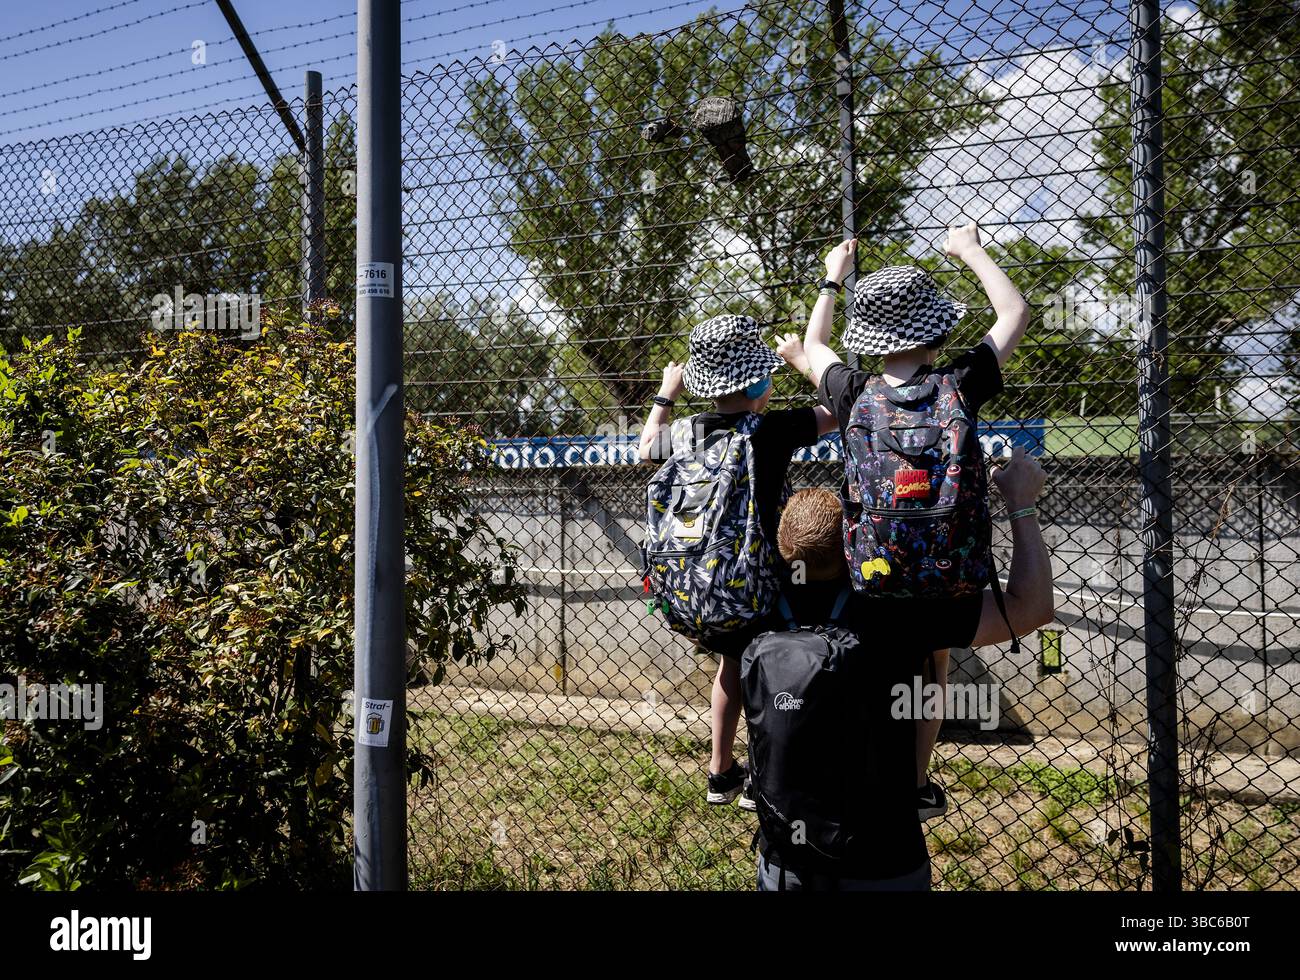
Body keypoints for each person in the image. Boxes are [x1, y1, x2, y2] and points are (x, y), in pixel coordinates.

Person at [795, 224, 1031, 818]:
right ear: (935, 328)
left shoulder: (854, 391)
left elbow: (812, 344)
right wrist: (971, 251)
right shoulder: (960, 384)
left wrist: (832, 276)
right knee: (935, 669)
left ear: (871, 338)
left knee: (881, 672)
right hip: (953, 583)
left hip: (875, 584)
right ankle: (917, 784)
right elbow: (1015, 311)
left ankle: (865, 773)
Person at [753, 446, 1051, 890]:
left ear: (782, 545)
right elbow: (1032, 608)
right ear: (855, 537)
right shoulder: (896, 609)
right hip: (882, 857)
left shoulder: (754, 609)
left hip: (784, 860)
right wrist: (1021, 503)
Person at [638, 313, 837, 806]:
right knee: (771, 674)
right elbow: (845, 408)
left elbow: (645, 449)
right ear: (759, 380)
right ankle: (762, 778)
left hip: (695, 589)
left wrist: (667, 392)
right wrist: (804, 358)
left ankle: (720, 770)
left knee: (730, 667)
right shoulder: (770, 431)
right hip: (757, 588)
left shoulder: (686, 431)